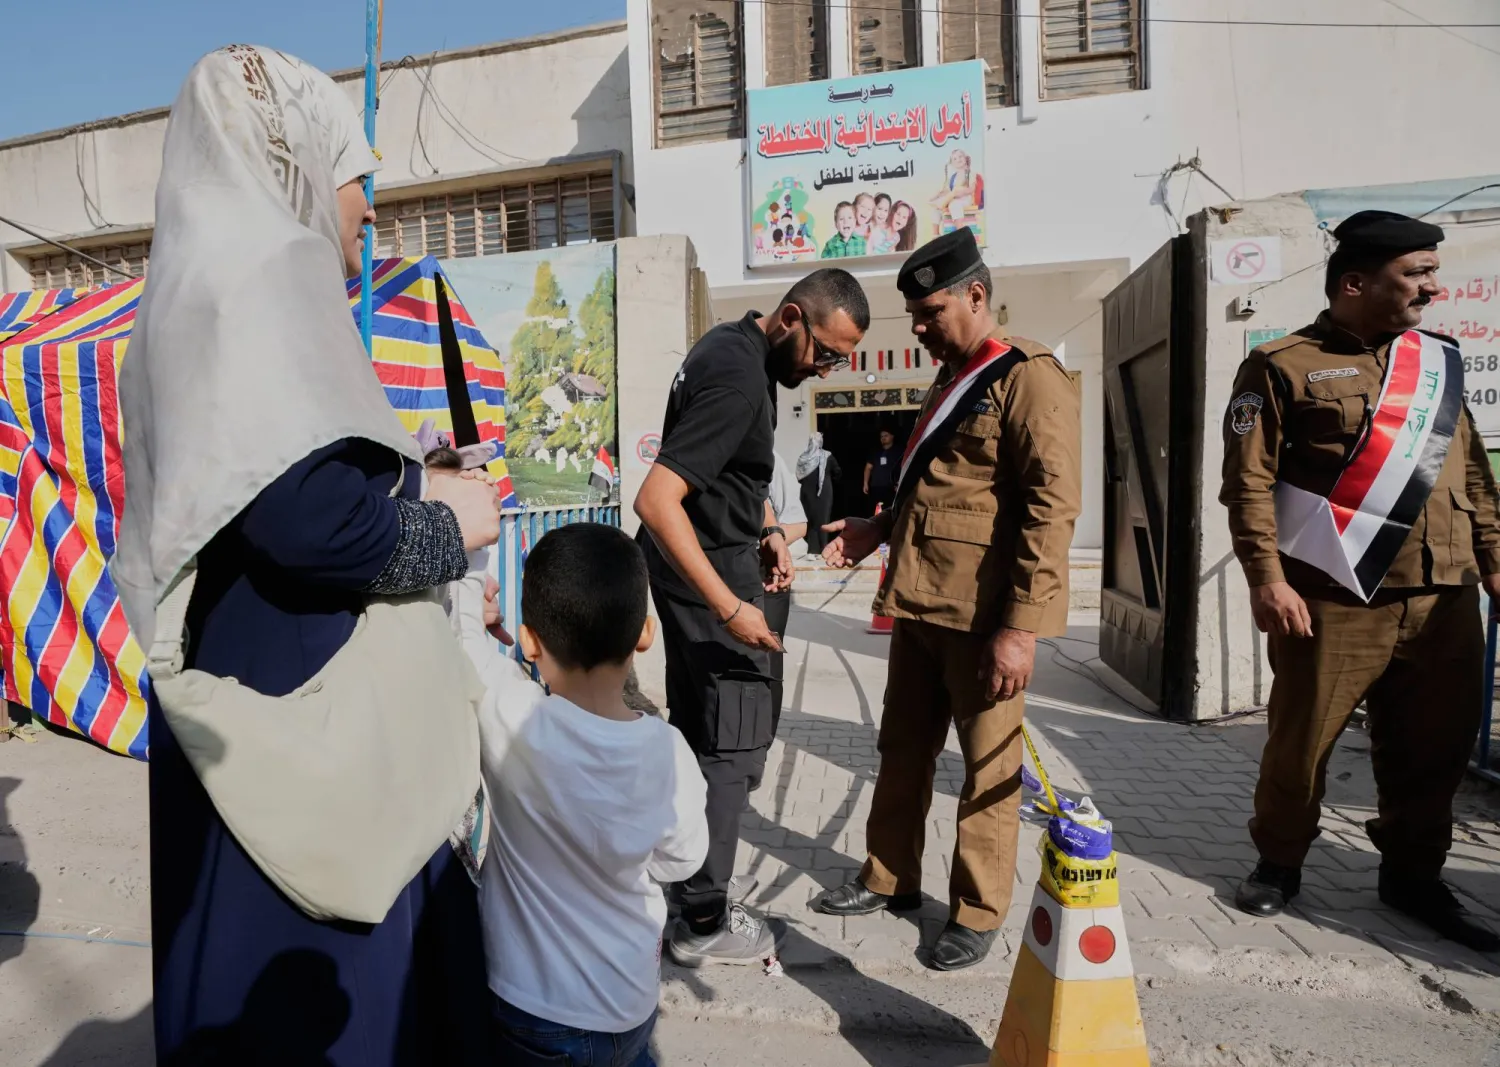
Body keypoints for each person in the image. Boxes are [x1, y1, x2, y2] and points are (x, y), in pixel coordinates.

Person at [111, 46, 503, 1064]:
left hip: (249, 690)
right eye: (354, 171)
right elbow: (307, 521)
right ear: (288, 154)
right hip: (304, 721)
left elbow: (266, 481)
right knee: (322, 1004)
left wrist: (412, 476)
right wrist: (447, 527)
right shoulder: (266, 270)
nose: (369, 208)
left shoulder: (186, 285)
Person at [1219, 210, 1500, 951]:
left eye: (1432, 273)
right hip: (1334, 598)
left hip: (1443, 597)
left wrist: (1495, 561)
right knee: (1300, 743)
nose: (1432, 288)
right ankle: (1278, 863)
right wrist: (1266, 577)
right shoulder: (1283, 365)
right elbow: (1249, 486)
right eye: (1417, 274)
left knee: (1432, 749)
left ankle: (1413, 877)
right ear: (1355, 282)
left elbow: (1470, 469)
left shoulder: (1435, 365)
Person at [812, 227, 1081, 972]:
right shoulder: (949, 378)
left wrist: (1021, 630)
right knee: (901, 749)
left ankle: (978, 908)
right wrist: (875, 527)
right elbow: (935, 487)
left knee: (989, 767)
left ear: (976, 294)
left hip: (984, 618)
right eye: (916, 317)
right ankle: (889, 876)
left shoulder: (1027, 375)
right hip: (922, 605)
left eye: (931, 311)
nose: (922, 328)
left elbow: (1051, 507)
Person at [634, 269, 870, 965]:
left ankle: (682, 877)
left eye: (840, 362)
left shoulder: (734, 346)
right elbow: (658, 498)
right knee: (732, 747)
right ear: (792, 317)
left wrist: (768, 527)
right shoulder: (741, 379)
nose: (825, 371)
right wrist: (731, 605)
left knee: (707, 733)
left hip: (718, 559)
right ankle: (702, 919)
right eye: (825, 354)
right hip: (708, 578)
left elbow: (729, 471)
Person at [450, 524, 709, 1066]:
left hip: (532, 1009)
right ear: (645, 633)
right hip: (630, 1002)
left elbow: (464, 640)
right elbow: (683, 859)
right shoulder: (671, 751)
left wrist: (471, 560)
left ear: (528, 640)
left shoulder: (511, 717)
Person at [797, 433, 840, 557]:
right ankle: (823, 548)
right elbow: (837, 472)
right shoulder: (828, 456)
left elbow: (799, 477)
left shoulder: (803, 457)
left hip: (806, 492)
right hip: (824, 493)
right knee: (823, 520)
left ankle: (813, 550)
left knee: (812, 520)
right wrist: (828, 479)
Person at [863, 426, 900, 516]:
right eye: (881, 436)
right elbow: (868, 468)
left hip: (892, 487)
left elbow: (903, 467)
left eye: (886, 435)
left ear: (892, 436)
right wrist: (865, 483)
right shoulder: (876, 452)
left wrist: (899, 483)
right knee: (877, 511)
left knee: (891, 510)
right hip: (876, 487)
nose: (883, 438)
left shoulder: (899, 452)